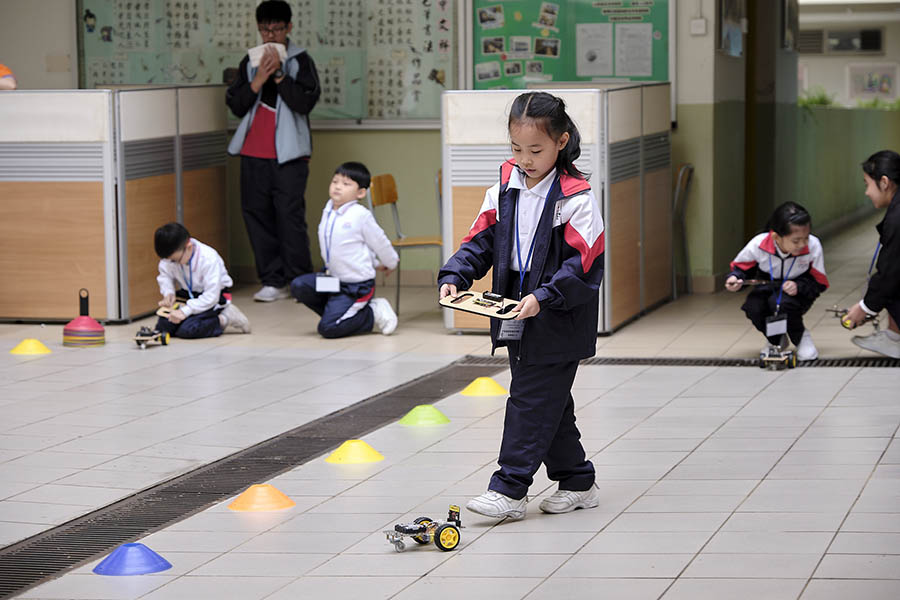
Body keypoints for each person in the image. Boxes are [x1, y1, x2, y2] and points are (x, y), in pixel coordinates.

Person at [438, 92, 605, 520]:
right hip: (515, 312)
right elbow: (479, 241)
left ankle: (510, 489)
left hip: (557, 316)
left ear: (562, 142)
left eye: (536, 150)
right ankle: (578, 480)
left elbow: (582, 266)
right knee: (548, 403)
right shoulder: (504, 188)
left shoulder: (577, 199)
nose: (525, 159)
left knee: (530, 399)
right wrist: (455, 275)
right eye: (516, 149)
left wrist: (543, 297)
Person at [226, 0, 320, 303]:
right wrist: (257, 80)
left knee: (289, 216)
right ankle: (272, 280)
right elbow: (237, 105)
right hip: (253, 152)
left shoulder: (301, 60)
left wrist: (279, 75)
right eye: (265, 29)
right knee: (256, 215)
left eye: (276, 28)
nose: (270, 35)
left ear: (288, 28)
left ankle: (300, 280)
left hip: (290, 155)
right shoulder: (249, 61)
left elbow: (305, 103)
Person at [290, 162, 399, 338]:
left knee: (328, 329)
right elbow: (349, 247)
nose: (338, 187)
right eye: (335, 181)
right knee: (299, 285)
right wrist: (374, 262)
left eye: (346, 184)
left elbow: (379, 242)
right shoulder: (328, 210)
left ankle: (373, 312)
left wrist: (390, 262)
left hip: (355, 286)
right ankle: (338, 313)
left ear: (360, 193)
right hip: (333, 281)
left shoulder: (360, 215)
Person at [725, 202, 828, 360]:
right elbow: (741, 269)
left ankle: (802, 339)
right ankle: (776, 340)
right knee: (754, 307)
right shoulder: (758, 244)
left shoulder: (813, 246)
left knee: (782, 304)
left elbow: (820, 282)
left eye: (805, 238)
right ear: (776, 237)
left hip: (798, 291)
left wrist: (799, 286)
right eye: (796, 241)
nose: (802, 244)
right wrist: (735, 279)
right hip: (768, 286)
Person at [843, 150, 900, 358]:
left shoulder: (897, 219)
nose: (867, 192)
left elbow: (890, 272)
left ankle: (894, 339)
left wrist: (865, 308)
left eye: (867, 184)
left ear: (884, 182)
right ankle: (894, 337)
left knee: (889, 285)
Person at [154, 222, 250, 339]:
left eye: (174, 260)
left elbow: (211, 296)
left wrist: (185, 311)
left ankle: (225, 317)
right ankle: (193, 318)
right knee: (164, 327)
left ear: (188, 247)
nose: (172, 263)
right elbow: (165, 275)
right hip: (188, 294)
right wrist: (168, 292)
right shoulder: (171, 257)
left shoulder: (209, 258)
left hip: (213, 297)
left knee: (189, 330)